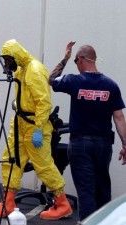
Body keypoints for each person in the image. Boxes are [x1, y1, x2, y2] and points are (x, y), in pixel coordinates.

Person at [0, 39, 73, 220]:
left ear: (15, 56)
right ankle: (8, 202)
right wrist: (17, 104)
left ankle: (62, 204)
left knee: (43, 166)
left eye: (7, 60)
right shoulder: (21, 70)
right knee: (10, 160)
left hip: (35, 126)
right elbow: (25, 96)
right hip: (20, 123)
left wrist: (38, 129)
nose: (6, 64)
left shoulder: (34, 71)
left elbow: (43, 103)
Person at [48, 41, 126, 221]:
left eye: (76, 62)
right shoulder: (111, 85)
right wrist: (125, 144)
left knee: (86, 191)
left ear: (81, 59)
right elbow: (119, 117)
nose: (76, 65)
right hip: (103, 144)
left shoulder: (74, 81)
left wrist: (65, 59)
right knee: (102, 189)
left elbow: (51, 79)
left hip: (80, 144)